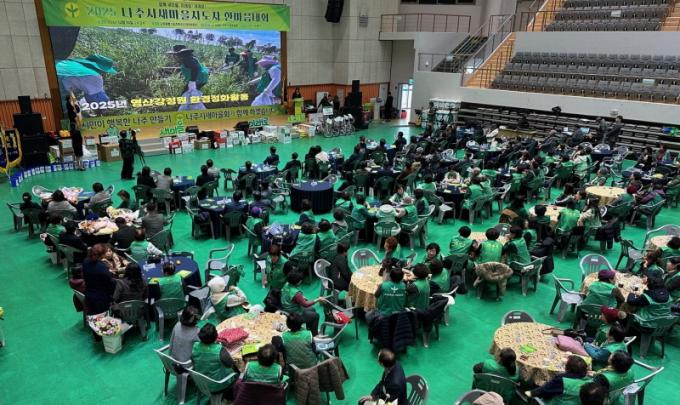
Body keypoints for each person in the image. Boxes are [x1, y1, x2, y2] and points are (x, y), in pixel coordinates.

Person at [526, 355, 591, 402]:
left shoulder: (562, 380)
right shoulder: (589, 381)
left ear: (567, 368)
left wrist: (529, 393)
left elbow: (543, 391)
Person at [191, 323, 238, 389]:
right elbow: (230, 364)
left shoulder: (195, 346)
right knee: (238, 372)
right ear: (215, 336)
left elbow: (193, 361)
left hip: (201, 382)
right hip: (218, 384)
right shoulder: (219, 350)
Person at [280, 271, 322, 335]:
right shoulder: (296, 293)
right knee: (316, 316)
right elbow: (305, 304)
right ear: (298, 282)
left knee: (312, 309)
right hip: (294, 315)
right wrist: (318, 300)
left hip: (286, 309)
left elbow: (291, 296)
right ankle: (314, 335)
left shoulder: (286, 284)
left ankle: (310, 329)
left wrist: (301, 298)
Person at [83, 244, 116, 315]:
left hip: (88, 295)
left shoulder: (85, 261)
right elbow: (110, 284)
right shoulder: (102, 268)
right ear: (102, 255)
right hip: (101, 299)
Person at [66, 93, 84, 171]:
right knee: (79, 152)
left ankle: (79, 165)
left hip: (75, 140)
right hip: (76, 136)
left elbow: (77, 109)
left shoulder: (72, 106)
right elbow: (75, 108)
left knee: (77, 152)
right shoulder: (70, 105)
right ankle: (80, 166)